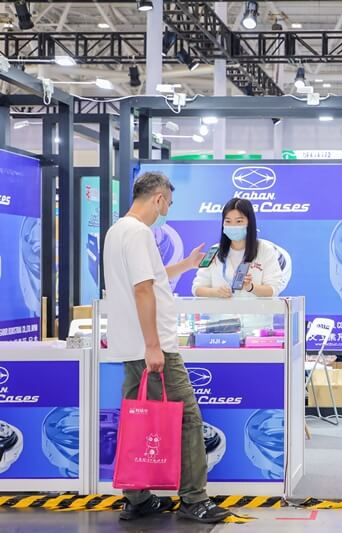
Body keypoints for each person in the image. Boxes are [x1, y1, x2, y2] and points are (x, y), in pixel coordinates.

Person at [103, 171, 231, 524]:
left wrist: (187, 265)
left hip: (130, 346)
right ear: (158, 199)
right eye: (168, 204)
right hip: (152, 347)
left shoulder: (117, 231)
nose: (167, 211)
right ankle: (194, 500)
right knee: (188, 418)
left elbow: (152, 278)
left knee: (136, 419)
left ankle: (138, 497)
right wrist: (154, 346)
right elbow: (143, 289)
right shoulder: (139, 233)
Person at [192, 198, 286, 300]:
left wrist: (251, 287)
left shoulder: (265, 250)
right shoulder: (213, 251)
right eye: (228, 221)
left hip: (255, 310)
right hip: (221, 310)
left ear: (250, 222)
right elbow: (197, 288)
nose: (233, 226)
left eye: (239, 221)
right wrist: (215, 292)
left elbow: (274, 289)